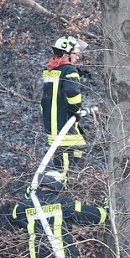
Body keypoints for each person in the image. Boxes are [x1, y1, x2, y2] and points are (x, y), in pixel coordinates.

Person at [41, 36, 89, 183]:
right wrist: (77, 111)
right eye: (75, 53)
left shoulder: (50, 70)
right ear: (67, 53)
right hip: (65, 125)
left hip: (52, 126)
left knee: (61, 160)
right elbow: (72, 92)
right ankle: (69, 188)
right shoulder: (69, 70)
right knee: (69, 163)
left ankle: (67, 185)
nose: (77, 56)